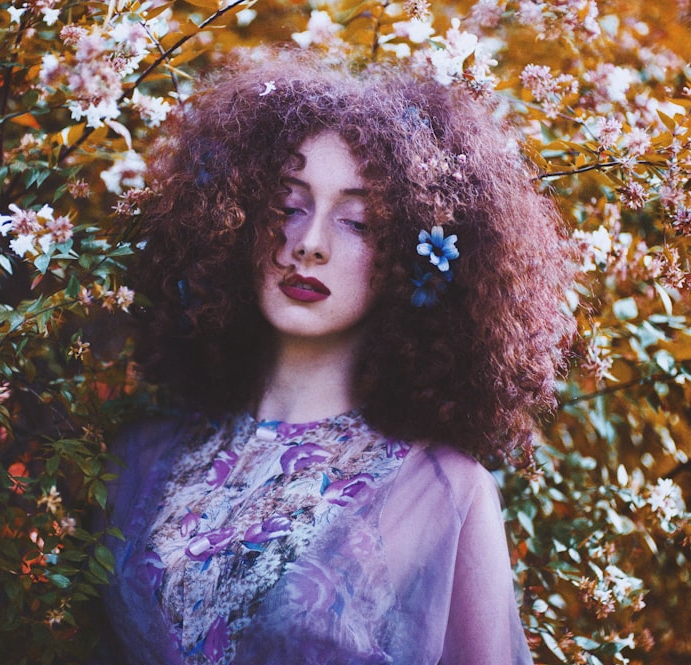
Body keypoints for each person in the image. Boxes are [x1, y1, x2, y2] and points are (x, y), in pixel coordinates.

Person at [95, 51, 577, 665]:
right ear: (236, 220)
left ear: (413, 256)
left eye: (359, 222)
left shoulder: (441, 492)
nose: (309, 244)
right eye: (288, 206)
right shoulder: (141, 456)